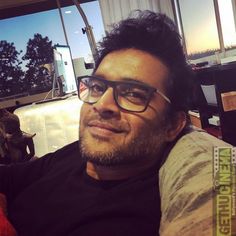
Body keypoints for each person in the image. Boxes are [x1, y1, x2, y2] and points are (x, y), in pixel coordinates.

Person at [0, 11, 224, 236]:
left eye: (134, 94)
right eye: (97, 87)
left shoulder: (122, 222)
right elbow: (10, 178)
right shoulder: (81, 155)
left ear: (172, 125)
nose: (102, 104)